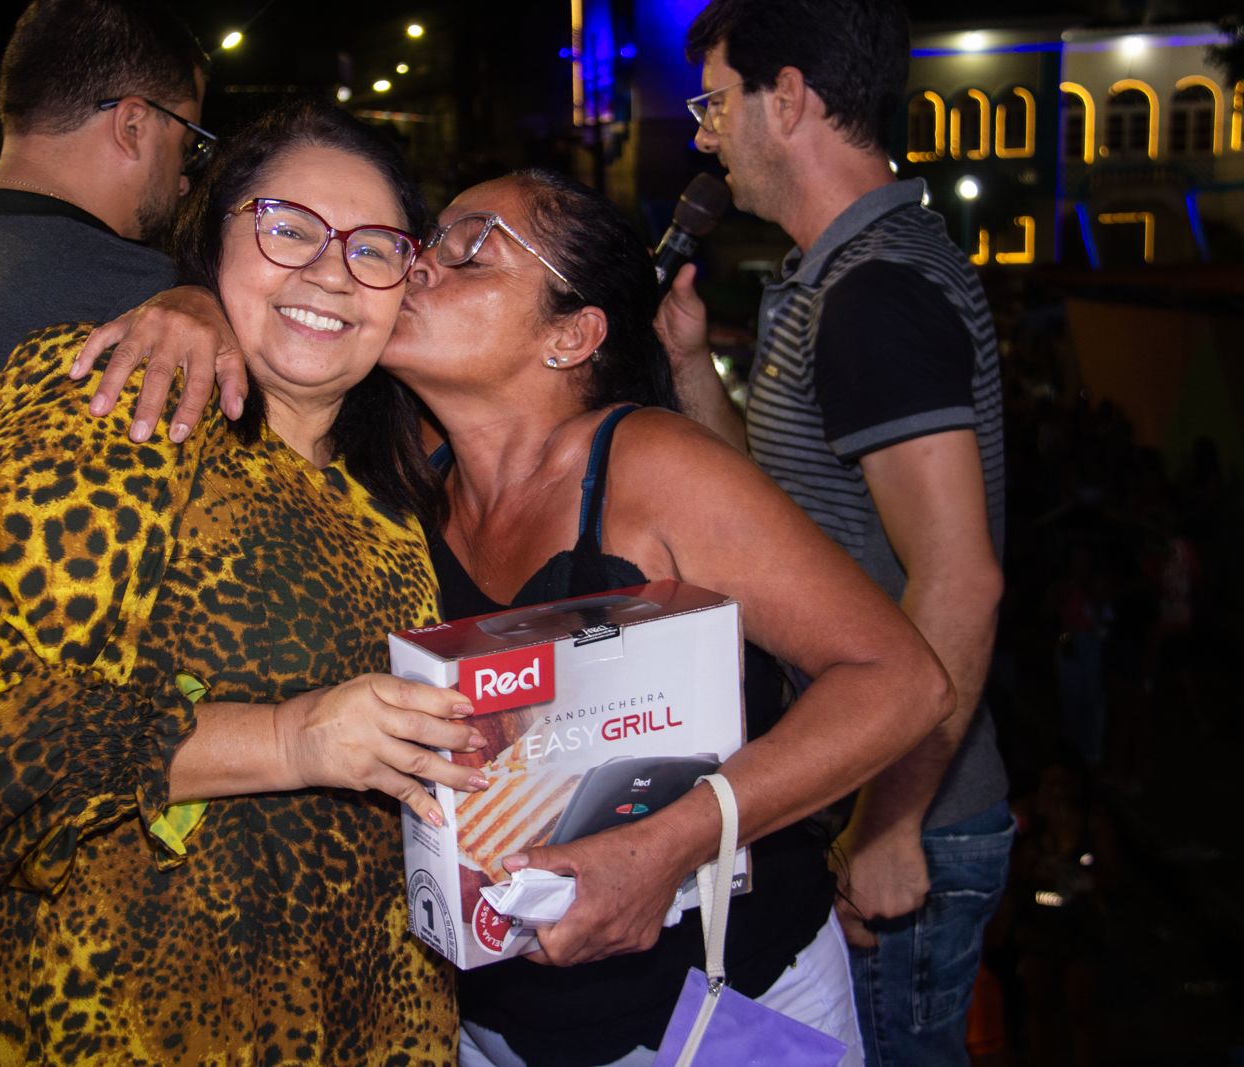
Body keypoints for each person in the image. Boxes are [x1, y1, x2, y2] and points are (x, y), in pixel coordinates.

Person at [0, 101, 482, 1064]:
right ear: (214, 236)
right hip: (118, 1025)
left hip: (371, 1022)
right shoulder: (115, 398)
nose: (330, 270)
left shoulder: (393, 489)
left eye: (372, 247)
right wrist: (292, 737)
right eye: (287, 227)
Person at [383, 168, 949, 1066]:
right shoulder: (411, 481)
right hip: (498, 1028)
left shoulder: (652, 468)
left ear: (571, 335)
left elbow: (903, 680)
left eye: (470, 248)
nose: (418, 267)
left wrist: (667, 845)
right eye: (424, 243)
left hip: (719, 1012)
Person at [655, 2, 1012, 1063]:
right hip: (858, 789)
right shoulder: (837, 276)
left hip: (911, 812)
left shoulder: (873, 297)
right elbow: (784, 514)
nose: (701, 136)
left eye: (715, 104)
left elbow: (960, 580)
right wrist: (685, 367)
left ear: (791, 97)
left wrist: (893, 819)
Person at [0, 0, 241, 929]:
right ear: (135, 121)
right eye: (189, 136)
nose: (186, 169)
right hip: (50, 764)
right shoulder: (141, 305)